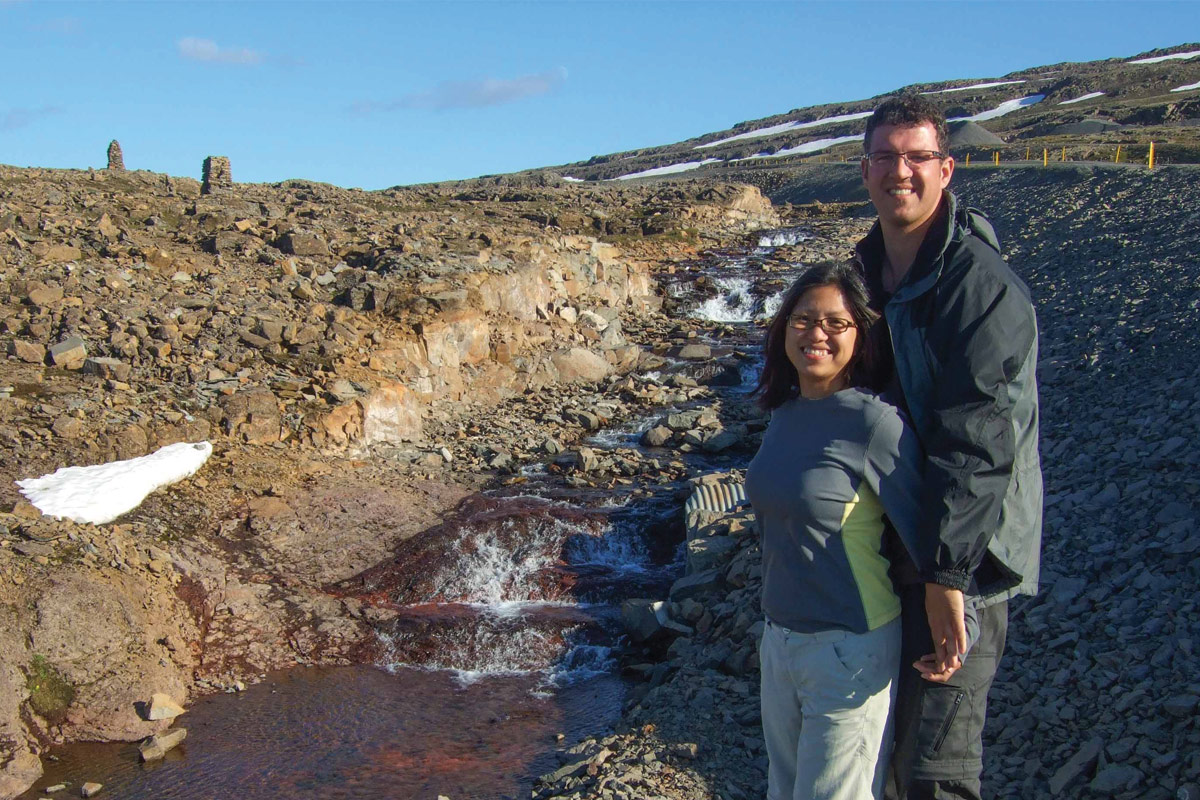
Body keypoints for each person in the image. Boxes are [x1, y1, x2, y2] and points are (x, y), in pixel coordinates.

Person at [854, 94, 1042, 800]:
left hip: (963, 559)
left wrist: (948, 577)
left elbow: (978, 441)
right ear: (864, 170)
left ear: (947, 168)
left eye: (917, 157)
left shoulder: (981, 288)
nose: (899, 171)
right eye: (884, 157)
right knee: (882, 751)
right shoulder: (866, 271)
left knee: (937, 765)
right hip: (892, 544)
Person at [746, 262, 938, 800]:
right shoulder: (784, 416)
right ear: (784, 328)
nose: (816, 334)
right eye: (803, 320)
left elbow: (928, 533)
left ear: (862, 334)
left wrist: (951, 609)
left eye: (836, 323)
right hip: (780, 638)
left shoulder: (875, 424)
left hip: (849, 646)